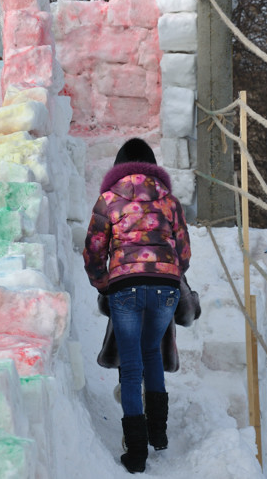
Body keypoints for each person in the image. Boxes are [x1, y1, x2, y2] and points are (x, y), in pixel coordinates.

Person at [82, 137, 191, 474]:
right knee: (152, 352)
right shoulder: (169, 201)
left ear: (119, 167)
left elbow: (94, 249)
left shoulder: (108, 200)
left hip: (125, 287)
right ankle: (158, 433)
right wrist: (169, 273)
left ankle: (137, 451)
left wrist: (103, 282)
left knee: (130, 367)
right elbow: (184, 251)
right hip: (165, 286)